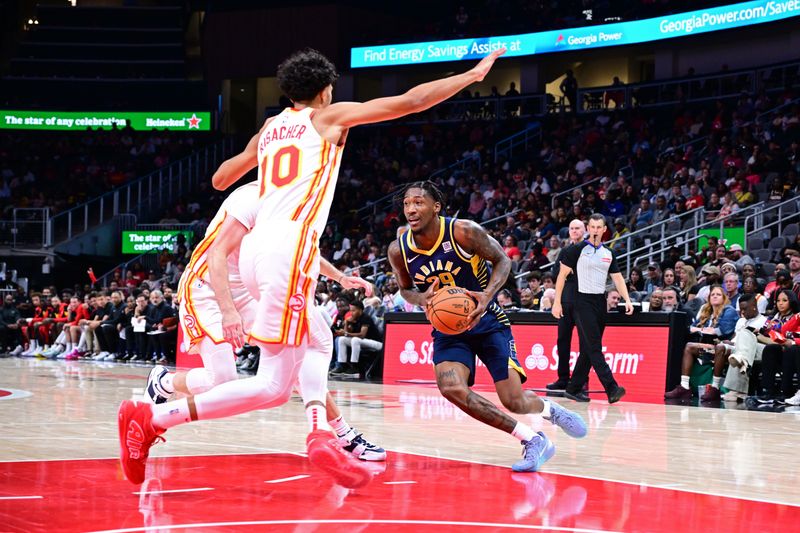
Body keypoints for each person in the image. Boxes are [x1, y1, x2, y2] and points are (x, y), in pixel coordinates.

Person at [118, 47, 508, 485]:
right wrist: (472, 76)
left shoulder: (269, 128)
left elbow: (221, 179)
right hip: (287, 251)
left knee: (319, 338)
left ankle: (324, 432)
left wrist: (257, 160)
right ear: (325, 91)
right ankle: (153, 419)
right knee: (271, 387)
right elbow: (411, 101)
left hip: (257, 252)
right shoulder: (327, 117)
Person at [142, 181, 385, 461]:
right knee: (222, 381)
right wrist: (228, 311)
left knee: (298, 355)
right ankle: (165, 382)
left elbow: (302, 252)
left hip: (248, 289)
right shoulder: (250, 197)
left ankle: (343, 434)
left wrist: (340, 277)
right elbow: (216, 254)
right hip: (207, 288)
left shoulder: (293, 203)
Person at [387, 182, 587, 473]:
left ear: (436, 207)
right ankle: (532, 439)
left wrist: (486, 295)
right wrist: (422, 298)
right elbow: (406, 289)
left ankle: (549, 411)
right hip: (449, 328)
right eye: (407, 204)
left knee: (514, 401)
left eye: (418, 202)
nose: (411, 209)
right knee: (450, 387)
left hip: (487, 320)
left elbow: (502, 260)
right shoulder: (399, 250)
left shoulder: (463, 231)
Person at [552, 213, 633, 404]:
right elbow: (561, 276)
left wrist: (627, 299)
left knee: (589, 348)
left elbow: (618, 278)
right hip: (582, 302)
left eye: (599, 227)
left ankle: (573, 388)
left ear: (605, 230)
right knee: (595, 347)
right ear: (588, 229)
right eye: (593, 227)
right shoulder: (577, 250)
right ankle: (611, 388)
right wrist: (557, 302)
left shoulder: (609, 253)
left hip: (600, 302)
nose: (596, 231)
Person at [664, 285, 738, 399]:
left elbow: (720, 331)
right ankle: (684, 386)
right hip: (709, 346)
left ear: (724, 298)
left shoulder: (729, 311)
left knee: (703, 346)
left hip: (725, 347)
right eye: (712, 295)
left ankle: (715, 387)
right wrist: (704, 330)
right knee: (688, 346)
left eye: (718, 295)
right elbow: (691, 328)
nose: (715, 297)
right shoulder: (706, 311)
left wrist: (703, 330)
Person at [546, 219, 585, 391]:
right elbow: (556, 273)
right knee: (562, 340)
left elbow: (585, 272)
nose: (575, 231)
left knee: (585, 343)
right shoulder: (565, 250)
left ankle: (581, 380)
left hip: (584, 301)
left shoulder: (589, 250)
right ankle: (562, 378)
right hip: (565, 301)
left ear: (584, 231)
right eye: (572, 229)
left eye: (578, 228)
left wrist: (568, 270)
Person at [331, 300, 383, 377]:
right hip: (363, 342)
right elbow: (346, 334)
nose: (351, 313)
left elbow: (362, 335)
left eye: (353, 310)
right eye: (350, 310)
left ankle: (354, 367)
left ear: (360, 310)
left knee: (355, 340)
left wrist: (346, 333)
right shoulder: (353, 319)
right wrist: (347, 323)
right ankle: (342, 365)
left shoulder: (366, 318)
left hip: (376, 343)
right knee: (342, 339)